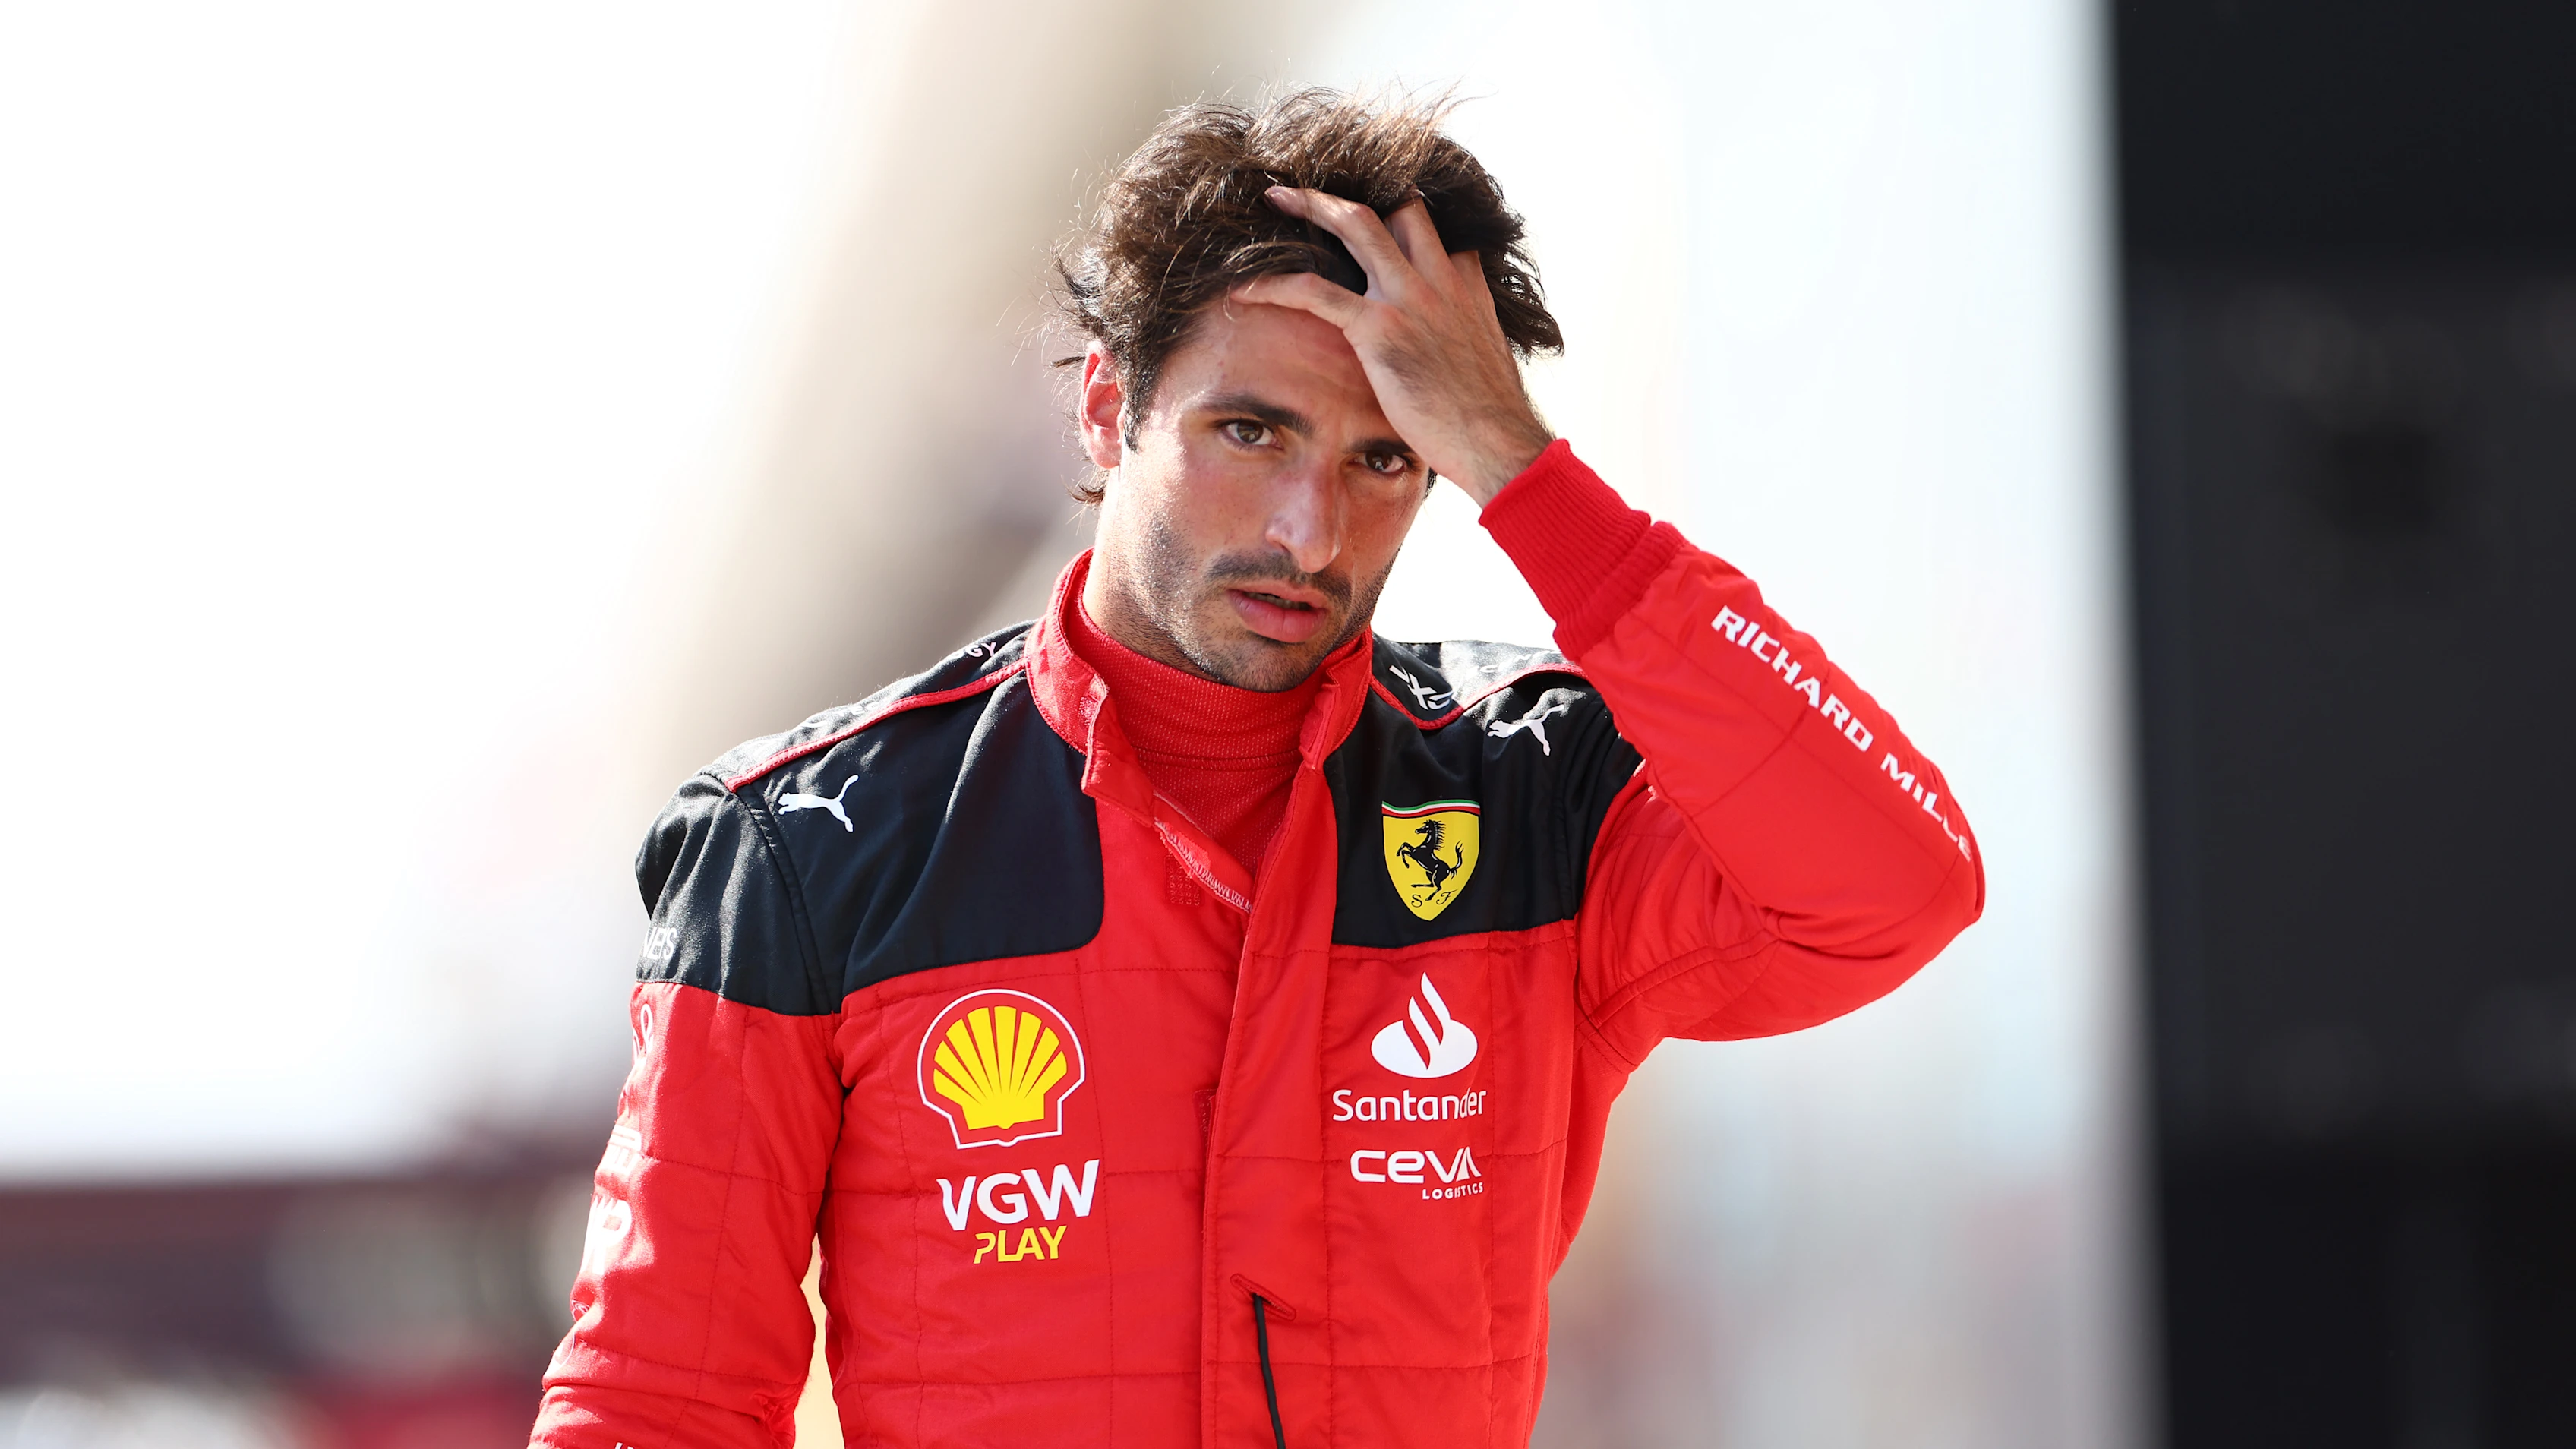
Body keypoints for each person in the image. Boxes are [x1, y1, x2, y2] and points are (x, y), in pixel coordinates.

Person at [529, 90, 1981, 1449]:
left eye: (1387, 457)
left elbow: (1896, 891)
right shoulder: (806, 846)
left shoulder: (1536, 791)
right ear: (1106, 412)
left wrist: (1522, 468)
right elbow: (656, 1401)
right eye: (1250, 431)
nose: (1307, 528)